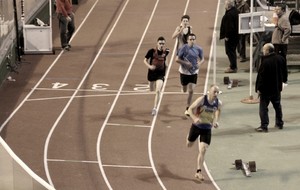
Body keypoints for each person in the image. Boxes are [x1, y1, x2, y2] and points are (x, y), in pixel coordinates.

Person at [186, 85, 222, 181]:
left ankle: (198, 171)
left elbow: (218, 111)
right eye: (214, 92)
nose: (216, 94)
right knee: (189, 144)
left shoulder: (218, 103)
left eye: (217, 92)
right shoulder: (202, 100)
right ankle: (189, 137)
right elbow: (189, 109)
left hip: (207, 129)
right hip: (196, 126)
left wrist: (216, 121)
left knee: (203, 150)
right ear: (209, 91)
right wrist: (194, 118)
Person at [255, 43, 288, 132]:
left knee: (263, 108)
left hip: (266, 90)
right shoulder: (281, 59)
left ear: (267, 51)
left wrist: (259, 89)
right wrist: (284, 81)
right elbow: (285, 71)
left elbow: (261, 77)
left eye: (264, 50)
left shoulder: (265, 62)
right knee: (277, 106)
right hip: (277, 88)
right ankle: (279, 123)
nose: (263, 51)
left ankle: (264, 126)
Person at [175, 33, 204, 116]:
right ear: (187, 41)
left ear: (195, 40)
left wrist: (199, 64)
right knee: (184, 90)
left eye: (193, 39)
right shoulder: (183, 48)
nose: (192, 41)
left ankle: (188, 108)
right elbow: (177, 59)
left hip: (194, 72)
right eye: (190, 39)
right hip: (184, 72)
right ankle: (183, 87)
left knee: (191, 90)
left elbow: (202, 59)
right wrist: (185, 63)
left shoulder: (199, 49)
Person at [144, 36, 170, 116]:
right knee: (151, 89)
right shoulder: (151, 51)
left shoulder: (166, 52)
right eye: (160, 43)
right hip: (152, 73)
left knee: (158, 91)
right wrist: (150, 66)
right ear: (157, 43)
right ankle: (152, 89)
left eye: (163, 43)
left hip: (160, 74)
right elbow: (144, 60)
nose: (161, 45)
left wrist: (165, 73)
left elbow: (166, 64)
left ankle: (154, 108)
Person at [220, 0, 239, 73]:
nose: (224, 5)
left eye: (225, 4)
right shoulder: (235, 11)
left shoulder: (229, 15)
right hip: (236, 35)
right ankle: (233, 65)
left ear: (228, 6)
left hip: (231, 37)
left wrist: (227, 36)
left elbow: (229, 27)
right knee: (232, 51)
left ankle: (233, 67)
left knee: (230, 51)